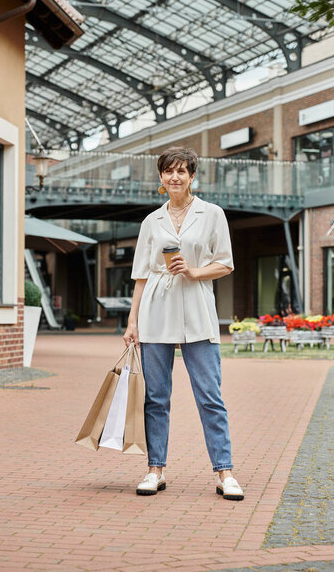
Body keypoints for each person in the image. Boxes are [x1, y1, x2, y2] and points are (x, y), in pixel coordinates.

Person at [123, 146, 244, 501]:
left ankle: (225, 473)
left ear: (193, 176)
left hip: (197, 309)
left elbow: (225, 263)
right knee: (156, 398)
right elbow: (141, 276)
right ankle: (154, 470)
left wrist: (193, 271)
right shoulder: (151, 221)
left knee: (210, 397)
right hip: (156, 312)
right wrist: (132, 323)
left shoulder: (212, 214)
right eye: (168, 171)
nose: (175, 177)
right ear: (161, 178)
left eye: (181, 171)